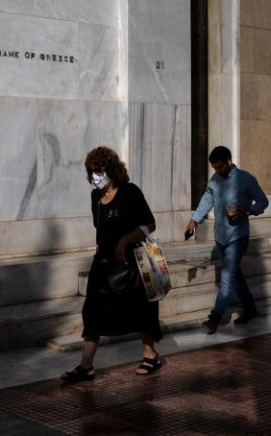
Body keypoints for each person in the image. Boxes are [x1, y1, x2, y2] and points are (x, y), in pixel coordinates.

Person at [61, 146, 164, 383]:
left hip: (132, 262)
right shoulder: (95, 198)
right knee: (92, 311)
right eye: (91, 172)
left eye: (99, 171)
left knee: (142, 309)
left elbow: (150, 224)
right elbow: (100, 228)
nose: (95, 176)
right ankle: (86, 366)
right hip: (103, 263)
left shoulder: (130, 192)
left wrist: (125, 240)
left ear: (111, 169)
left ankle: (150, 354)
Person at [184, 145, 268, 334]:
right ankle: (250, 309)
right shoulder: (214, 180)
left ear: (229, 161)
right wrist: (194, 220)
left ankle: (214, 318)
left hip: (238, 237)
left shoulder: (246, 179)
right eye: (214, 167)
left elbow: (263, 201)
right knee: (235, 275)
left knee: (227, 278)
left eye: (220, 166)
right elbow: (207, 200)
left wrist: (246, 211)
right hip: (220, 237)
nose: (217, 170)